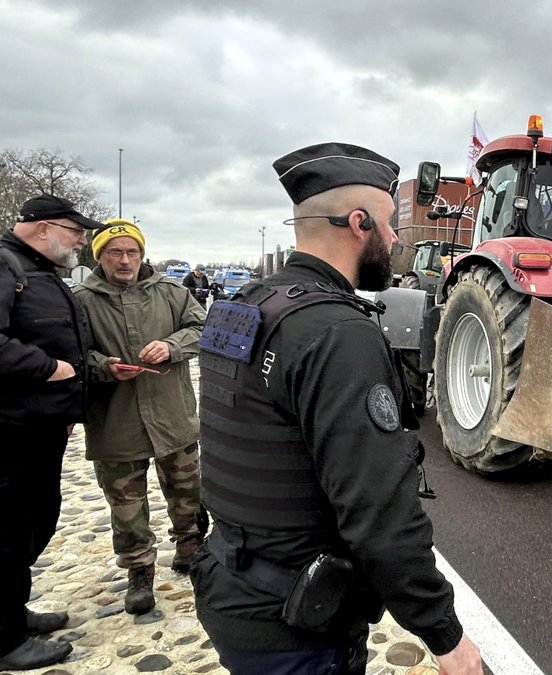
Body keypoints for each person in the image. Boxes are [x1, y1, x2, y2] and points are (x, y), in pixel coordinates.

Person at [190, 143, 481, 675]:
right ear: (359, 222)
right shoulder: (337, 333)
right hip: (297, 624)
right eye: (391, 226)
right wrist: (446, 637)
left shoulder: (245, 306)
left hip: (231, 584)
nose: (396, 240)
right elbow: (380, 515)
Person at [73, 220, 206, 615]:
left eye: (132, 252)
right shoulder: (81, 300)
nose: (125, 260)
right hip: (115, 419)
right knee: (126, 505)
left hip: (171, 413)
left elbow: (204, 327)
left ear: (142, 255)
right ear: (99, 257)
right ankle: (139, 569)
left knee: (187, 490)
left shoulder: (171, 292)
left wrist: (171, 346)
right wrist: (102, 366)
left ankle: (190, 547)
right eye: (115, 252)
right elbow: (71, 350)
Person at [0, 194, 104, 670]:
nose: (82, 241)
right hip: (11, 430)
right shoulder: (6, 266)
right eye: (76, 231)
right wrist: (47, 368)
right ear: (43, 228)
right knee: (7, 529)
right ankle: (4, 641)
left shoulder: (38, 270)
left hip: (39, 428)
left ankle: (12, 615)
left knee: (32, 522)